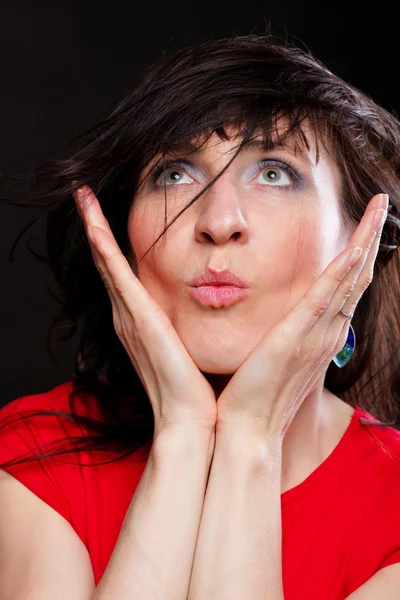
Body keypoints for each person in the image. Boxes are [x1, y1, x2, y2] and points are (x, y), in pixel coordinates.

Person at [0, 31, 400, 600]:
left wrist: (250, 440)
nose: (218, 220)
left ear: (362, 238)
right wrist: (184, 437)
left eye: (274, 173)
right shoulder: (38, 454)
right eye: (175, 173)